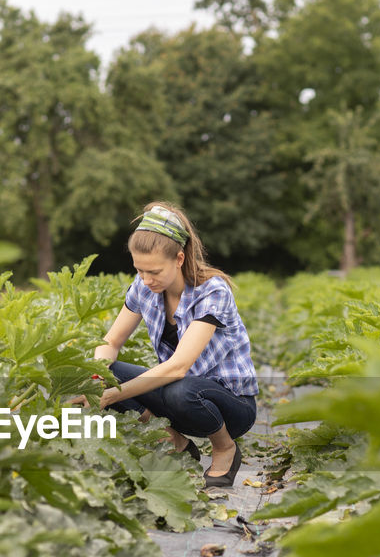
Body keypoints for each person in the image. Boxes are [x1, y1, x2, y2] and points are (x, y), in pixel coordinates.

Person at [93, 202, 258, 488]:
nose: (146, 280)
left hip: (230, 405)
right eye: (139, 270)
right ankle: (176, 442)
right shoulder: (143, 287)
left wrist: (109, 397)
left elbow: (180, 367)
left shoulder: (212, 292)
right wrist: (95, 378)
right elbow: (111, 341)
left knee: (181, 389)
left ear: (179, 258)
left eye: (154, 271)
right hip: (178, 398)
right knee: (108, 374)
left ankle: (224, 448)